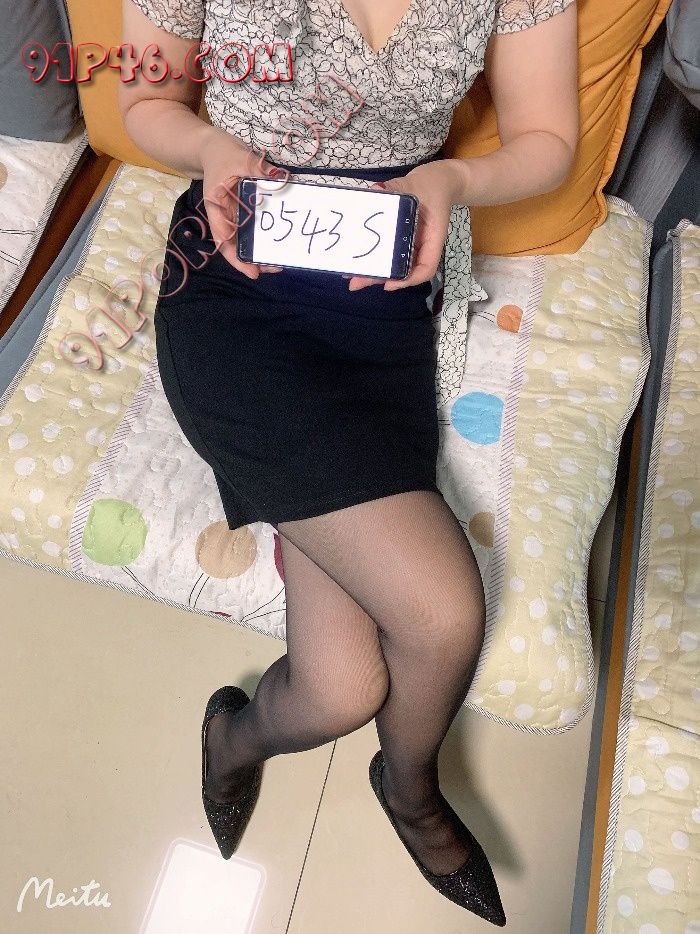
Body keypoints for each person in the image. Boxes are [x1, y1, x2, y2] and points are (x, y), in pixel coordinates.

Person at [119, 0, 578, 924]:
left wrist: (452, 178)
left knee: (339, 690)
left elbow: (547, 139)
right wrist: (210, 148)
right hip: (236, 281)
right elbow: (144, 101)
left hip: (382, 285)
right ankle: (406, 791)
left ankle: (259, 747)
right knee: (442, 614)